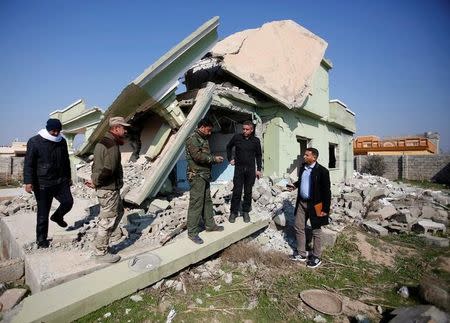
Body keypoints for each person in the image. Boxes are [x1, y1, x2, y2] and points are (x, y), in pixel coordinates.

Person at [23, 118, 74, 248]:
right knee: (43, 213)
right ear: (47, 129)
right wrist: (28, 182)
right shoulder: (34, 141)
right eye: (53, 131)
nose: (56, 133)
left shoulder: (61, 141)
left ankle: (57, 217)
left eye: (58, 131)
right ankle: (41, 239)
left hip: (60, 180)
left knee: (68, 202)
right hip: (42, 183)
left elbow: (66, 160)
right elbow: (29, 163)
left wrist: (68, 177)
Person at [85, 116, 129, 263]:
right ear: (116, 128)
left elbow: (95, 166)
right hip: (108, 189)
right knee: (108, 220)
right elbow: (108, 169)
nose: (125, 130)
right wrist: (97, 182)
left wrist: (95, 180)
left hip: (107, 187)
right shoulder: (111, 145)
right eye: (123, 127)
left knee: (119, 211)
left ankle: (104, 241)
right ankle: (101, 252)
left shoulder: (102, 143)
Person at [288, 148, 331, 268]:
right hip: (301, 202)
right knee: (298, 226)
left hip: (316, 205)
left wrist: (325, 210)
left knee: (316, 231)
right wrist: (295, 185)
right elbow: (302, 181)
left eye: (307, 155)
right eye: (304, 155)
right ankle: (301, 254)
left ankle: (316, 257)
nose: (304, 157)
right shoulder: (303, 168)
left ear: (314, 157)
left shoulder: (322, 171)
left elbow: (327, 192)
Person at [185, 118, 225, 244]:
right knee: (196, 203)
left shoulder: (203, 138)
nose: (209, 133)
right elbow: (198, 157)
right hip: (196, 175)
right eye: (208, 130)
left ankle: (210, 225)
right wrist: (214, 159)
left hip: (204, 175)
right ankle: (192, 233)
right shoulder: (193, 139)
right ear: (202, 127)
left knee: (207, 201)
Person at [226, 121, 262, 223]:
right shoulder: (237, 137)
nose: (244, 131)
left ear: (252, 130)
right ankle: (233, 212)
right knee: (237, 191)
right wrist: (230, 159)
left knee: (248, 192)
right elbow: (228, 147)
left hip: (250, 170)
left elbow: (259, 155)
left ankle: (245, 212)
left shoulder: (256, 141)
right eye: (243, 129)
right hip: (239, 169)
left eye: (247, 129)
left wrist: (258, 169)